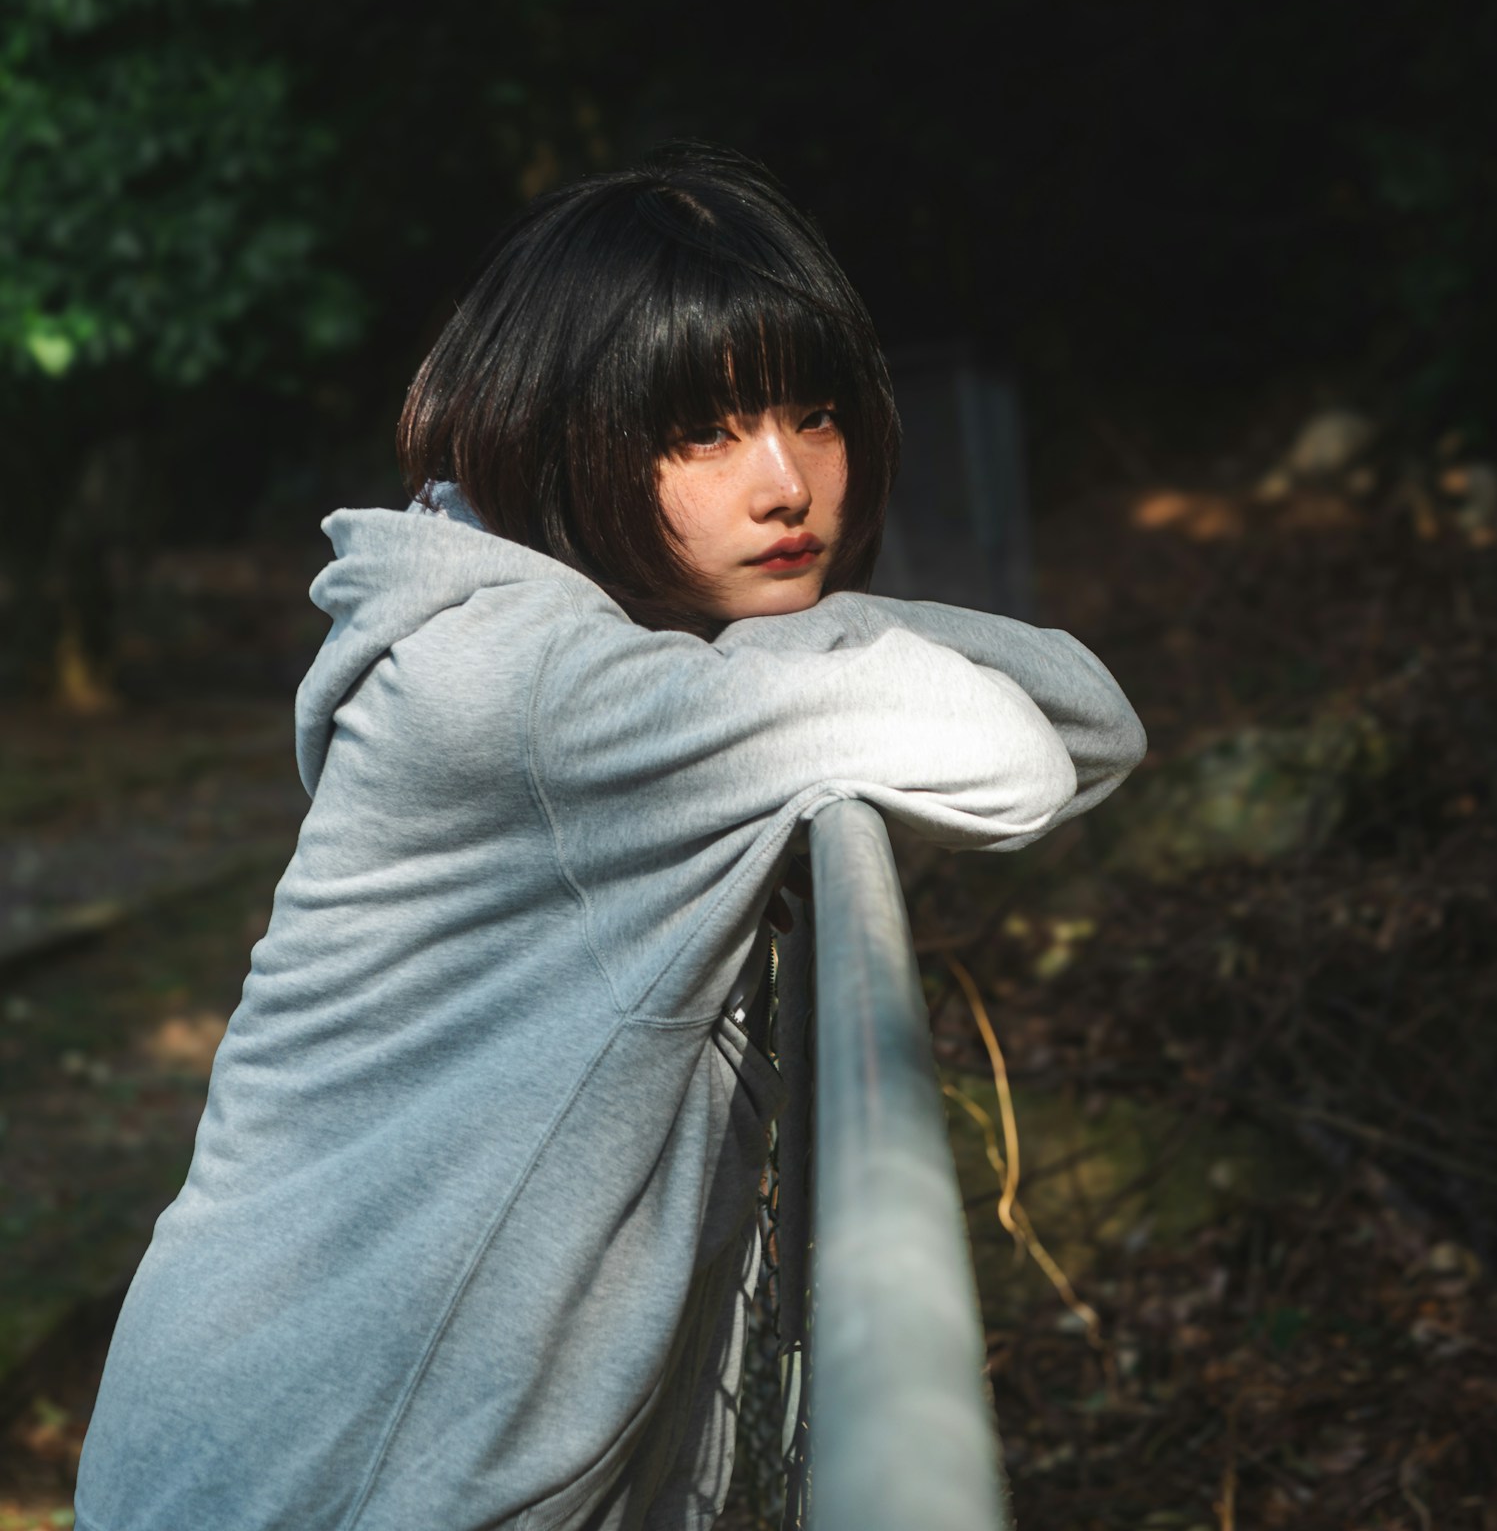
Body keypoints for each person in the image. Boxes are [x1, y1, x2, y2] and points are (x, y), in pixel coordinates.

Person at [74, 146, 1145, 1531]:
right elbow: (1012, 758)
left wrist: (786, 644)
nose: (786, 484)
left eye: (814, 414)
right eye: (702, 430)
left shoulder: (606, 652)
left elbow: (1092, 727)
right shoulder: (530, 691)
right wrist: (808, 650)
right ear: (553, 426)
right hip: (321, 1468)